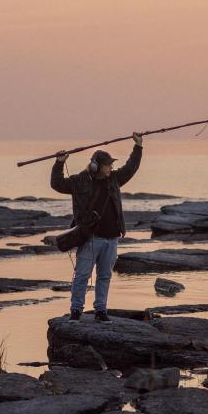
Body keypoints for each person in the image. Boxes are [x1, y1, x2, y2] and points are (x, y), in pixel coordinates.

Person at [50, 133, 144, 321]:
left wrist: (138, 147)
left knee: (104, 277)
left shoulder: (114, 179)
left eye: (111, 164)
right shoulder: (79, 181)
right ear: (96, 166)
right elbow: (57, 184)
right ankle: (76, 310)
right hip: (90, 238)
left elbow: (131, 168)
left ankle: (101, 311)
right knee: (82, 276)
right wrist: (59, 163)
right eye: (108, 164)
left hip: (112, 238)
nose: (112, 167)